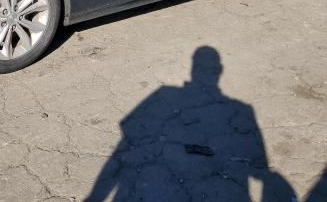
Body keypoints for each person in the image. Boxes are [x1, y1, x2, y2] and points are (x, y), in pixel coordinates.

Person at [86, 46, 295, 201]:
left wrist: (95, 196)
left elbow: (125, 141)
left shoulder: (166, 94)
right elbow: (260, 169)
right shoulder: (243, 110)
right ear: (220, 70)